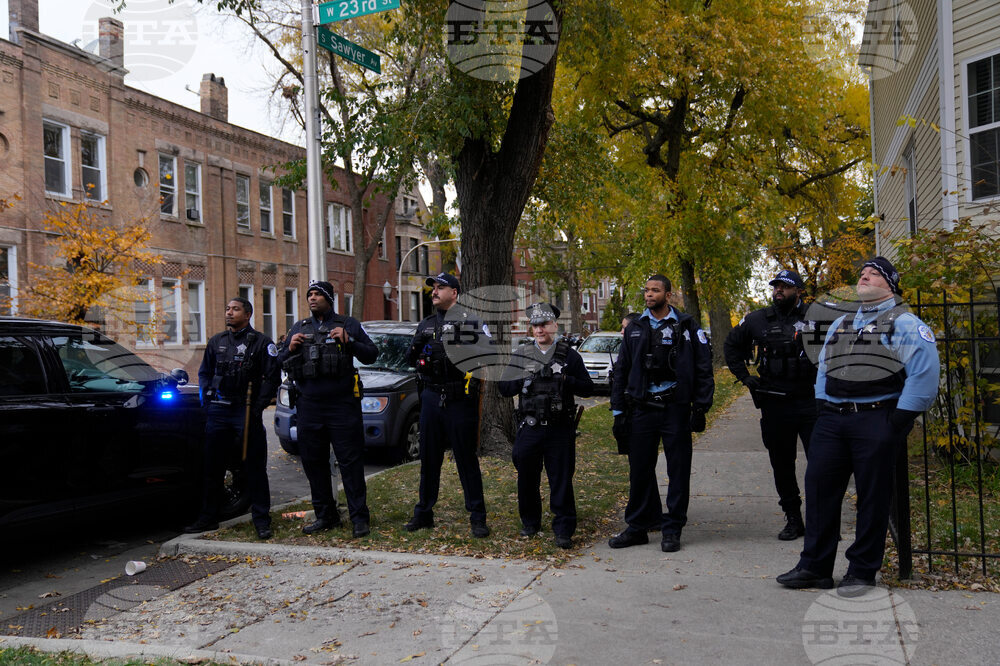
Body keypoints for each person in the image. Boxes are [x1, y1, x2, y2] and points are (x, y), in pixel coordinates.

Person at [777, 257, 939, 597]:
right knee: (819, 490)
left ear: (891, 286)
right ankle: (815, 566)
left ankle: (862, 571)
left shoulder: (905, 323)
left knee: (872, 496)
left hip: (877, 419)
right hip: (832, 420)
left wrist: (898, 420)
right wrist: (822, 405)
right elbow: (824, 366)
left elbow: (924, 374)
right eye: (861, 272)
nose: (864, 276)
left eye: (874, 274)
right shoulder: (842, 323)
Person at [609, 274, 714, 552]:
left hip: (675, 409)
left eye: (655, 290)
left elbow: (704, 367)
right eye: (646, 290)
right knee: (639, 468)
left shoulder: (687, 325)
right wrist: (618, 410)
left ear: (668, 295)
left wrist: (701, 406)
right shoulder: (635, 327)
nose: (649, 294)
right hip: (641, 408)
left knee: (678, 470)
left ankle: (672, 527)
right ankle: (638, 526)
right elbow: (621, 369)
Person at [278, 280, 378, 538]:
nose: (312, 298)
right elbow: (278, 360)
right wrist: (289, 348)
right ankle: (325, 515)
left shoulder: (347, 324)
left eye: (317, 294)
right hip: (309, 405)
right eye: (309, 294)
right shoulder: (300, 327)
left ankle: (359, 518)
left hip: (342, 405)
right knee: (313, 462)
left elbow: (371, 354)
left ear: (329, 299)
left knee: (350, 462)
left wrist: (350, 341)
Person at [723, 269, 817, 540]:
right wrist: (745, 377)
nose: (778, 290)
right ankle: (793, 518)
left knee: (820, 463)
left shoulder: (817, 316)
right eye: (776, 286)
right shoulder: (757, 320)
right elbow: (731, 345)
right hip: (775, 403)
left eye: (785, 287)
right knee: (782, 463)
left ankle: (820, 519)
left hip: (811, 401)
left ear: (799, 291)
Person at [499, 303, 595, 549]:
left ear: (554, 326)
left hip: (559, 429)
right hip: (530, 427)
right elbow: (505, 389)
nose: (539, 330)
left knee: (561, 479)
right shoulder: (522, 354)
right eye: (535, 325)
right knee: (527, 478)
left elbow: (587, 388)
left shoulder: (569, 355)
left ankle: (563, 528)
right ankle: (530, 522)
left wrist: (566, 380)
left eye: (544, 325)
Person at [403, 272, 491, 538]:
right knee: (429, 459)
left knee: (466, 459)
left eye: (440, 287)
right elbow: (409, 359)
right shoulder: (426, 324)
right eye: (433, 288)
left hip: (459, 398)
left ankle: (477, 517)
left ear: (454, 293)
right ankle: (424, 513)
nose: (434, 291)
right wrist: (415, 346)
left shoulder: (471, 321)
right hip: (430, 396)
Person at [185, 297, 281, 539]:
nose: (229, 312)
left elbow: (272, 378)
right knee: (213, 467)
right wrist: (206, 401)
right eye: (227, 308)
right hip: (219, 410)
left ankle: (261, 520)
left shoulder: (262, 343)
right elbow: (204, 373)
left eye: (235, 309)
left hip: (245, 410)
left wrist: (258, 406)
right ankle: (208, 518)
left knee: (253, 466)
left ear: (247, 314)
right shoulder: (217, 341)